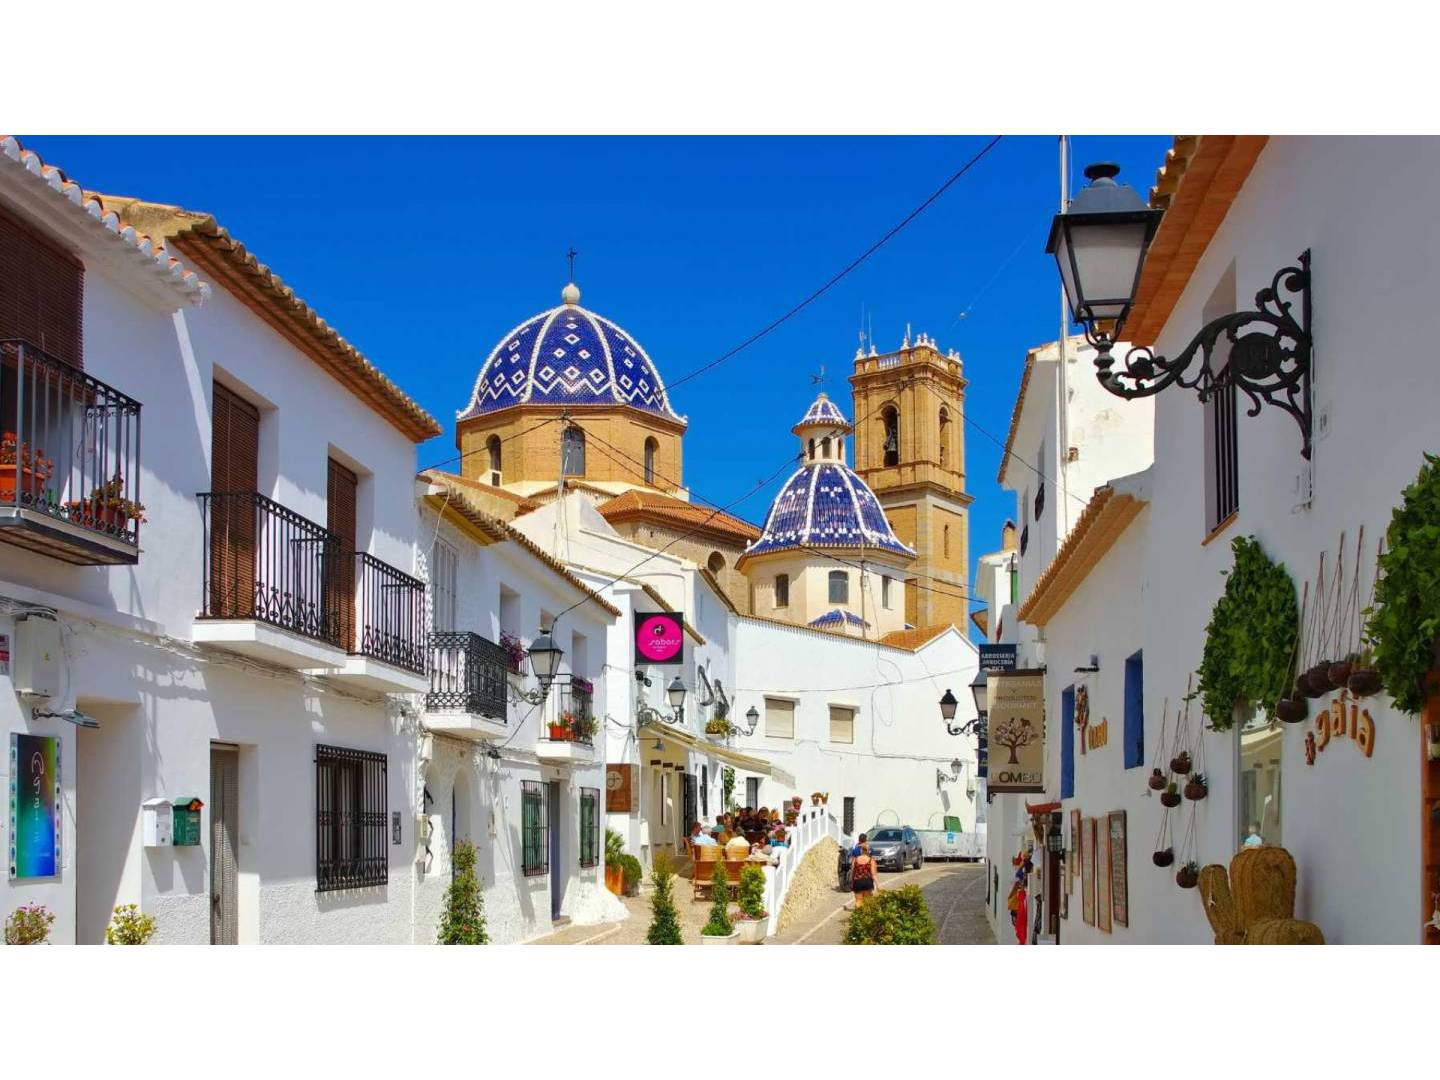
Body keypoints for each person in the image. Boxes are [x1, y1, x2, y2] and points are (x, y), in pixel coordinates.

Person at [849, 841, 876, 907]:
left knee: (858, 900)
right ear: (868, 851)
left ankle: (858, 912)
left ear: (861, 850)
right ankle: (866, 913)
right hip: (868, 881)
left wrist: (851, 881)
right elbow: (873, 875)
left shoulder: (855, 860)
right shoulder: (871, 860)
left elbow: (852, 872)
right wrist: (878, 885)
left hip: (857, 882)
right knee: (868, 901)